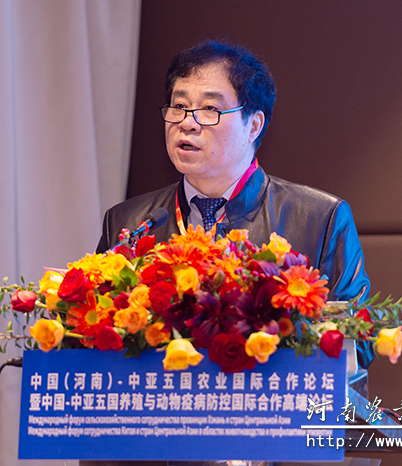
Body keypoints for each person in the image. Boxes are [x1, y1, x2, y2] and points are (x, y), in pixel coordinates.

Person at [96, 40, 373, 368]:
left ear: (253, 125)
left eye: (209, 109)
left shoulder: (319, 219)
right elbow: (93, 337)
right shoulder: (128, 222)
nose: (187, 122)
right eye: (179, 106)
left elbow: (358, 344)